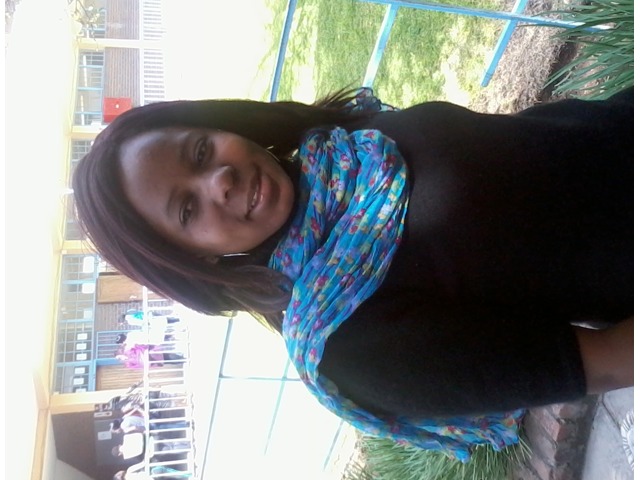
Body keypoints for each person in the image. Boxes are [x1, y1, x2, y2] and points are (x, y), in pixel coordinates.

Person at [72, 87, 633, 461]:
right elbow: (609, 361)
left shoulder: (341, 147)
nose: (217, 180)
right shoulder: (348, 343)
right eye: (187, 210)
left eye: (198, 151)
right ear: (197, 261)